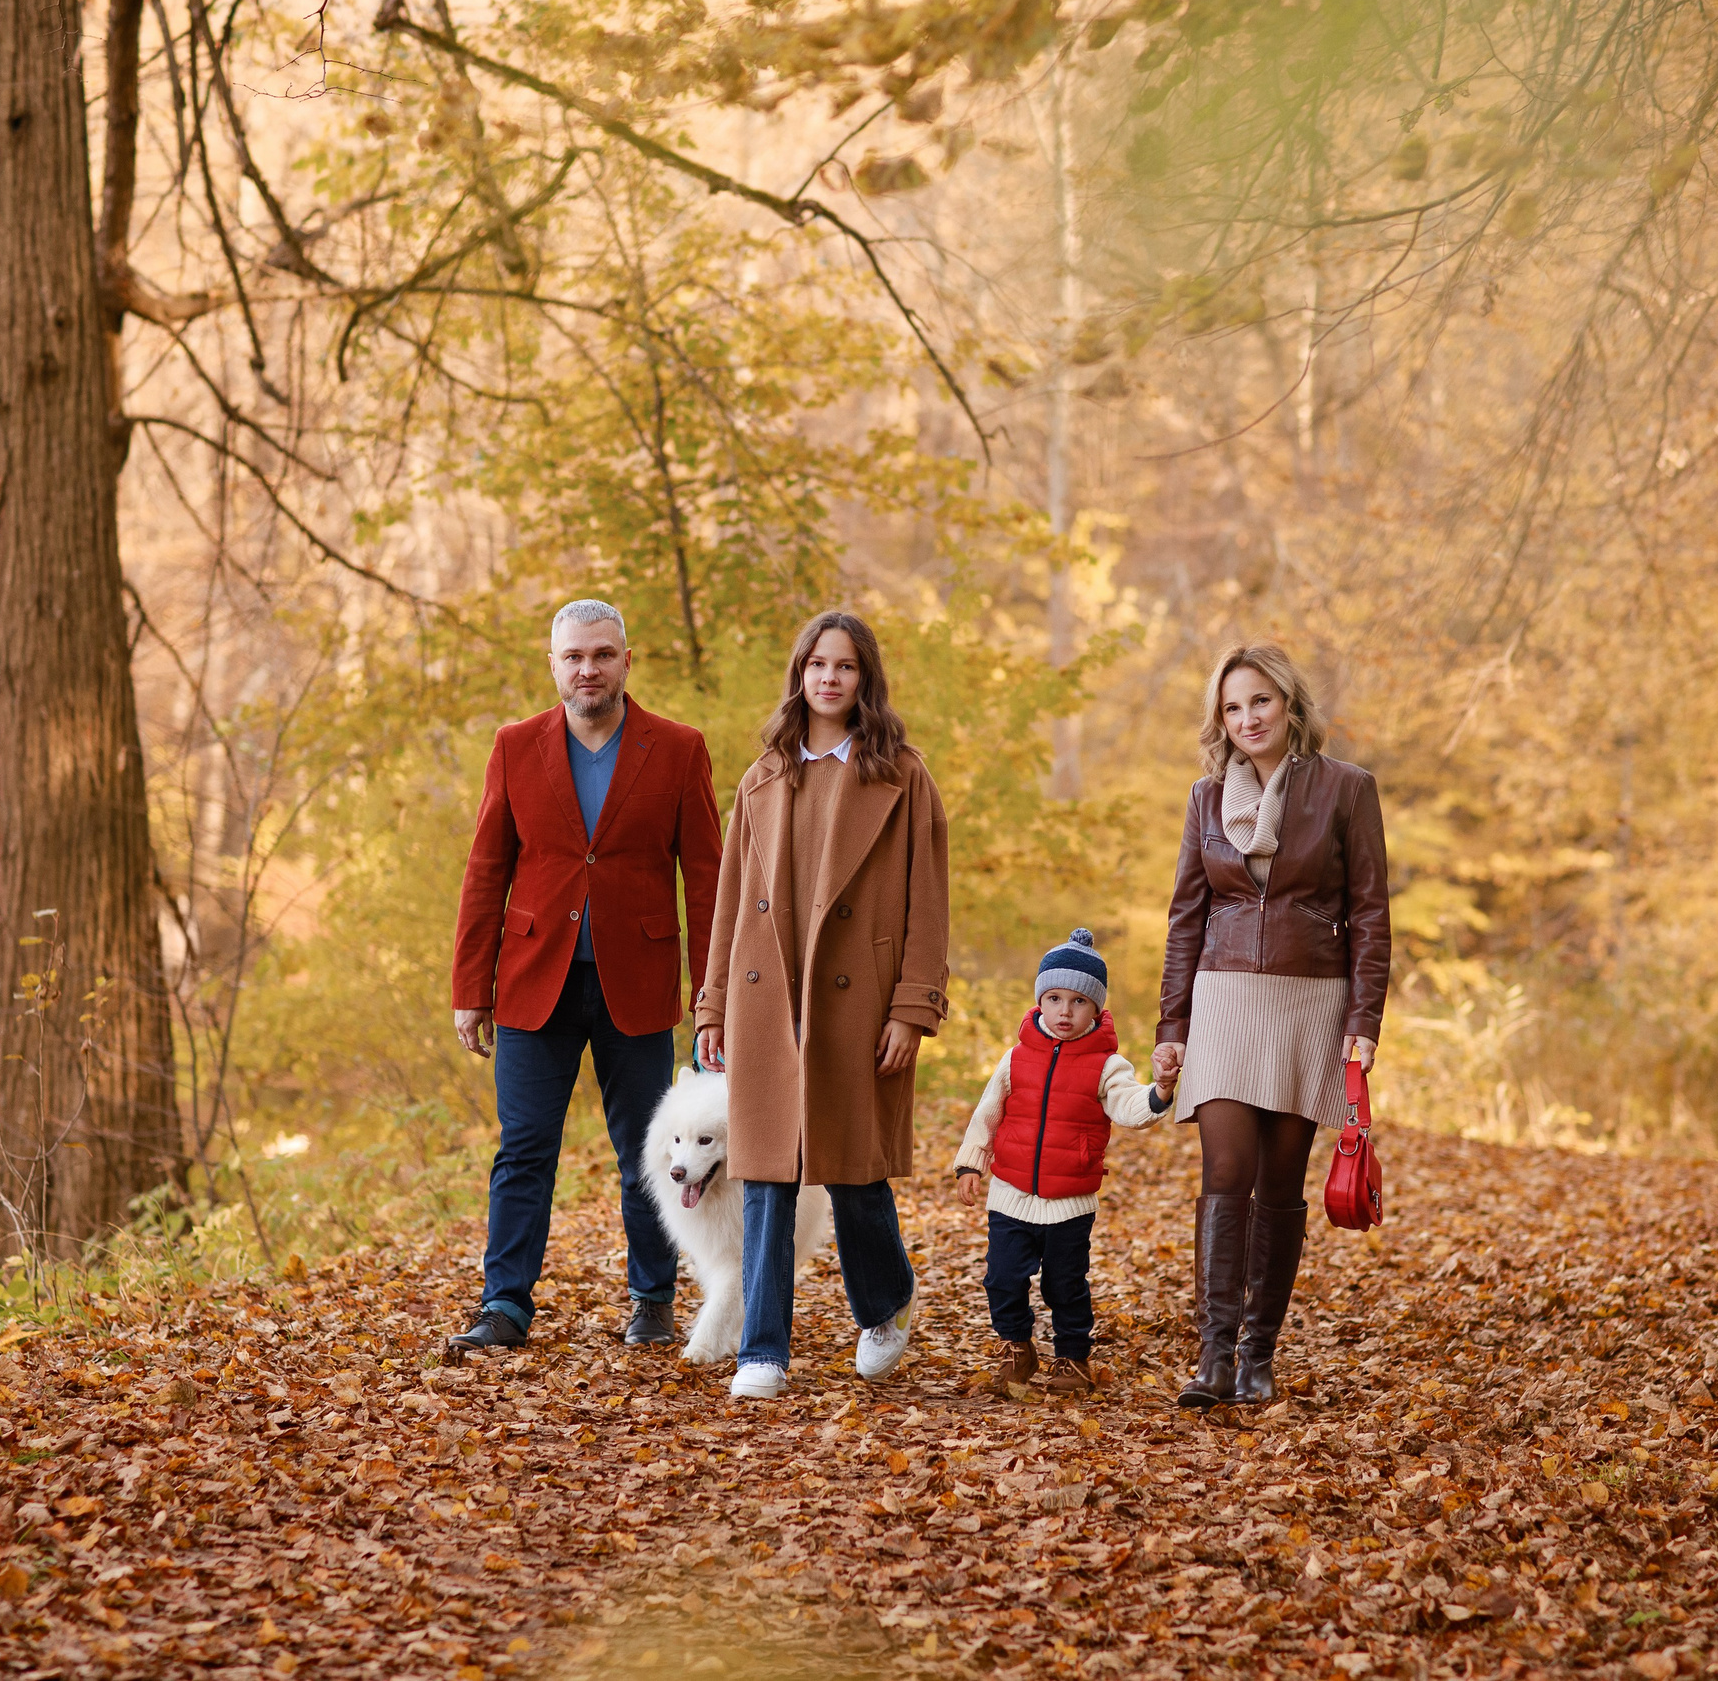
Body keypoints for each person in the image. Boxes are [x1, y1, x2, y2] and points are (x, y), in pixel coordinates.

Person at [448, 599, 725, 1352]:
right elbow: (485, 871)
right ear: (554, 665)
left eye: (602, 654)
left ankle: (653, 1297)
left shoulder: (676, 748)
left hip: (636, 983)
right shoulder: (514, 746)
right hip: (534, 979)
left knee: (652, 1149)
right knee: (523, 1149)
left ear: (626, 660)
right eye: (573, 656)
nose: (587, 668)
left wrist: (713, 999)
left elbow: (707, 882)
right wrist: (472, 987)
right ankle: (504, 1305)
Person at [692, 610, 950, 1400]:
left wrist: (912, 1007)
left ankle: (884, 1302)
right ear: (799, 674)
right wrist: (712, 1006)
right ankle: (763, 1349)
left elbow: (927, 905)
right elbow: (730, 901)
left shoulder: (902, 776)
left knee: (851, 1173)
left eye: (845, 666)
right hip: (767, 1000)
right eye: (816, 664)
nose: (829, 678)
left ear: (865, 679)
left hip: (858, 1003)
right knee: (767, 1171)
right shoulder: (763, 777)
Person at [1153, 642, 1391, 1408]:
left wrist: (1364, 1018)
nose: (1247, 717)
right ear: (1220, 720)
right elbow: (1187, 914)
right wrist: (1171, 1023)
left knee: (1282, 1181)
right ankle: (1214, 1356)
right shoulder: (1204, 797)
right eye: (1232, 706)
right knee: (1226, 1170)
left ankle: (1259, 1354)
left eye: (1260, 701)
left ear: (1289, 704)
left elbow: (1370, 914)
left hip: (1310, 999)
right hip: (1222, 995)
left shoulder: (1347, 790)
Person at [950, 928, 1177, 1394]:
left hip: (1070, 1202)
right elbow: (987, 1112)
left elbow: (1130, 1108)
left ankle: (1072, 1359)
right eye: (1054, 998)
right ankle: (1017, 1347)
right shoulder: (1015, 1059)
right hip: (1011, 1193)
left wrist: (1161, 1092)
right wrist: (971, 1164)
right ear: (1039, 1001)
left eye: (1077, 1001)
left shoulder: (1107, 1065)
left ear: (1096, 1008)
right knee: (1002, 1277)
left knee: (1065, 1285)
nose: (1064, 1011)